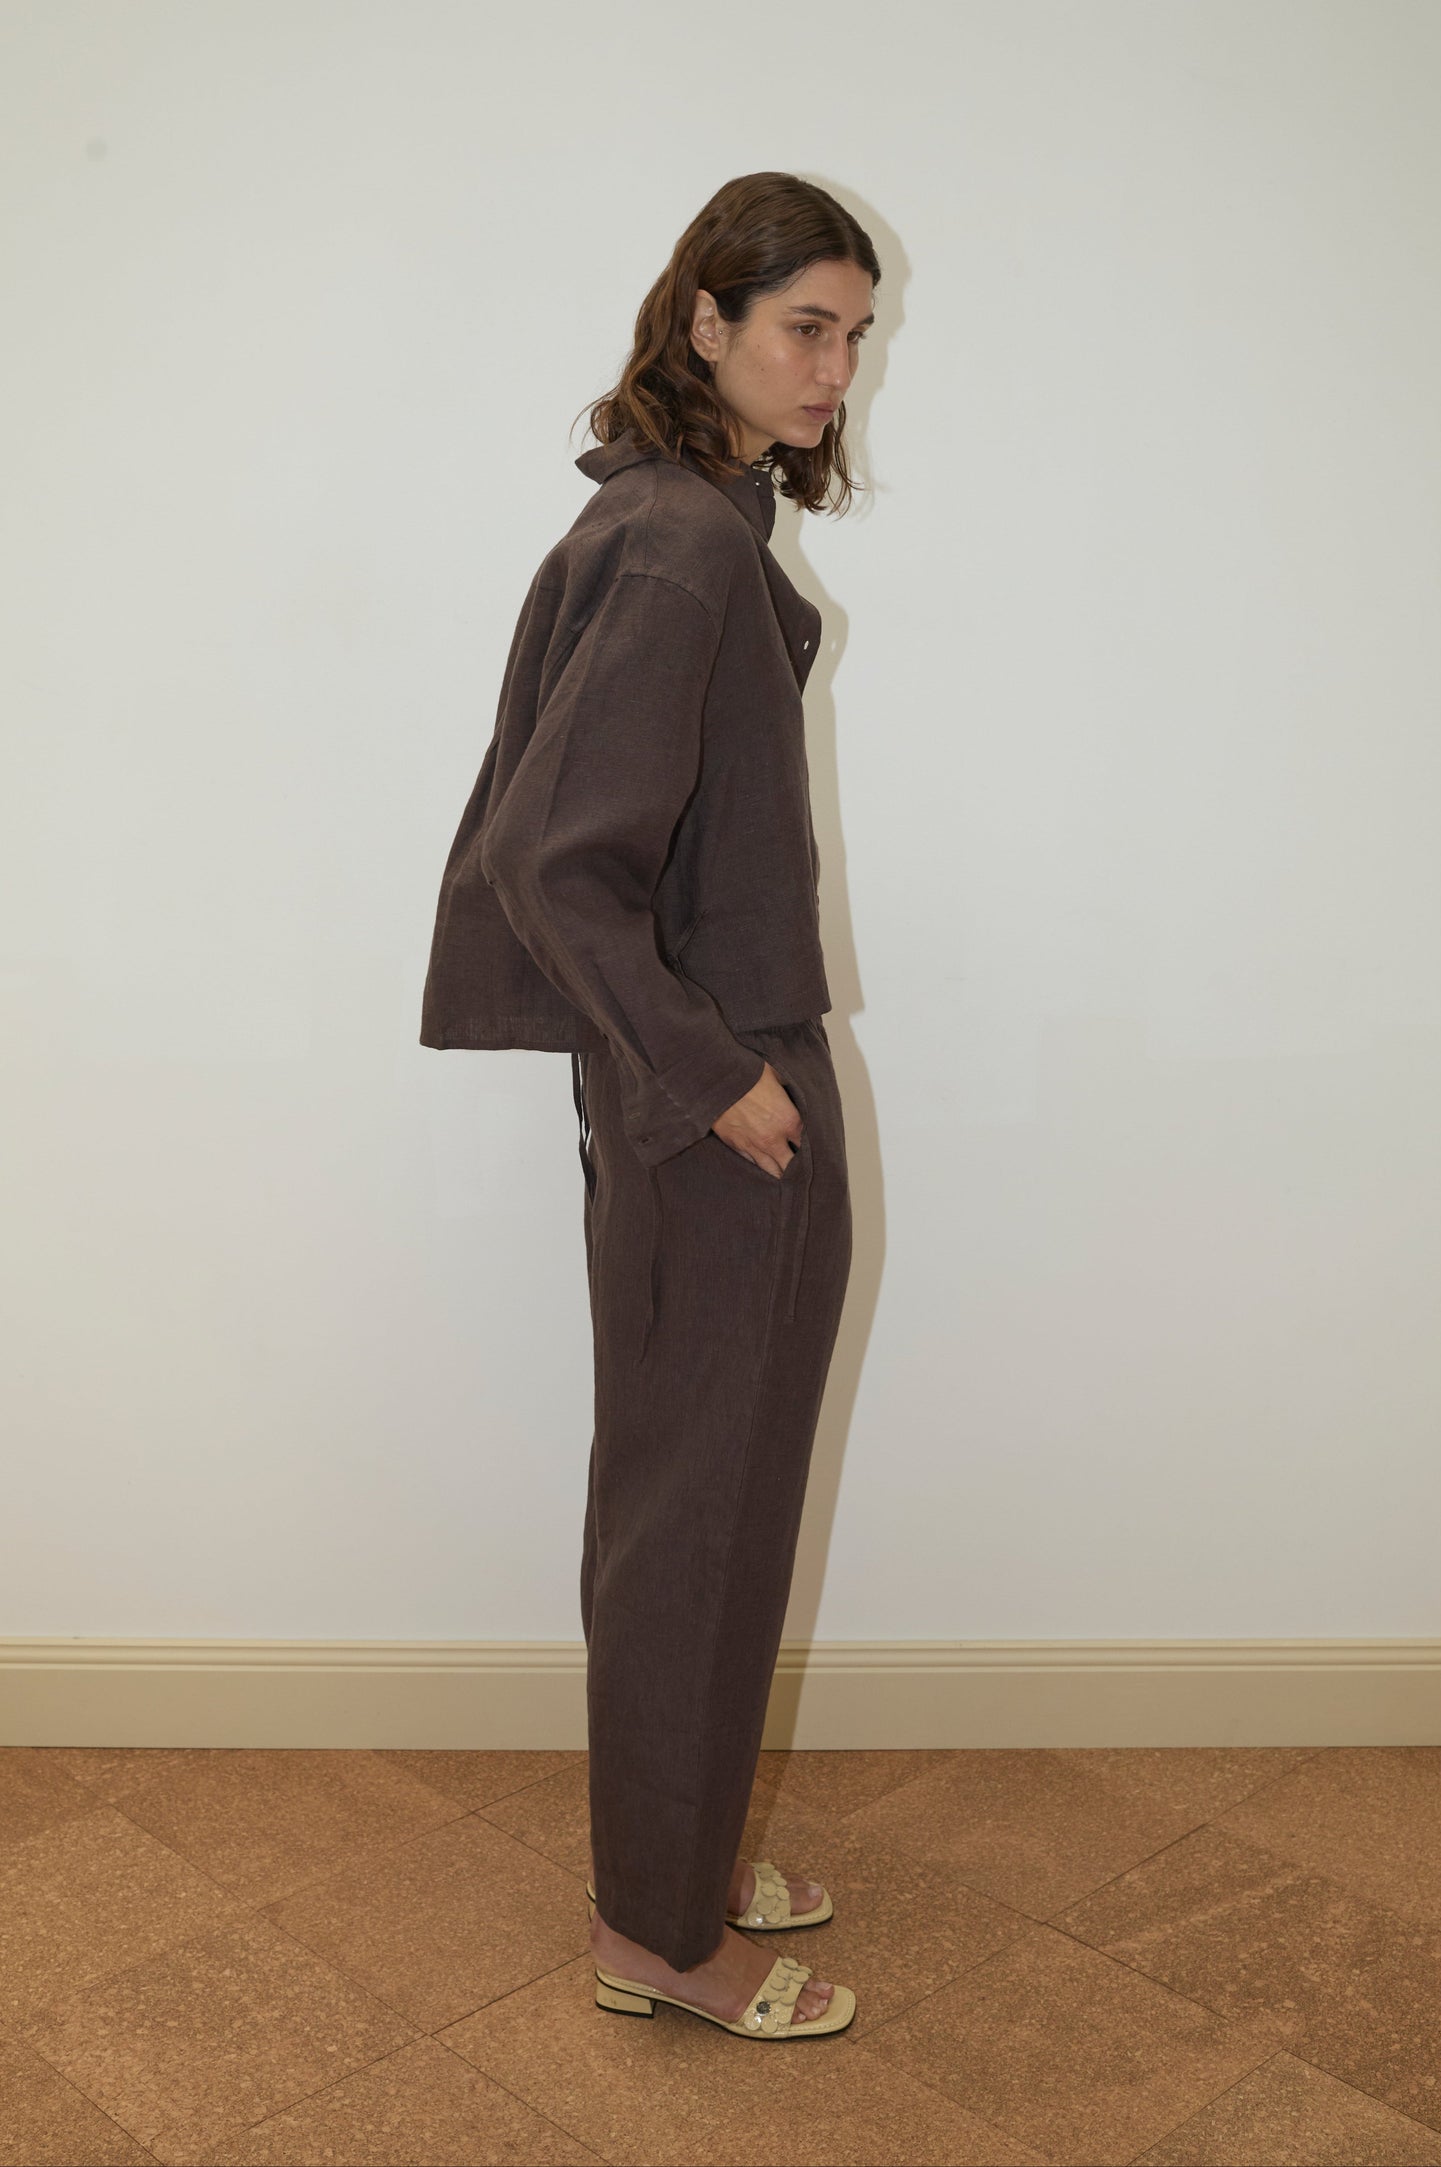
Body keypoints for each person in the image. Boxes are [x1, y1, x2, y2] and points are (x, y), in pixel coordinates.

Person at [419, 171, 879, 2040]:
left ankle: (669, 1863)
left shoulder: (685, 521)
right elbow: (556, 855)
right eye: (805, 328)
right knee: (696, 1509)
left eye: (856, 334)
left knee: (699, 1493)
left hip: (707, 1083)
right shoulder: (680, 541)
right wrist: (719, 1082)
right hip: (721, 1095)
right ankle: (654, 1938)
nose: (836, 368)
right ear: (704, 317)